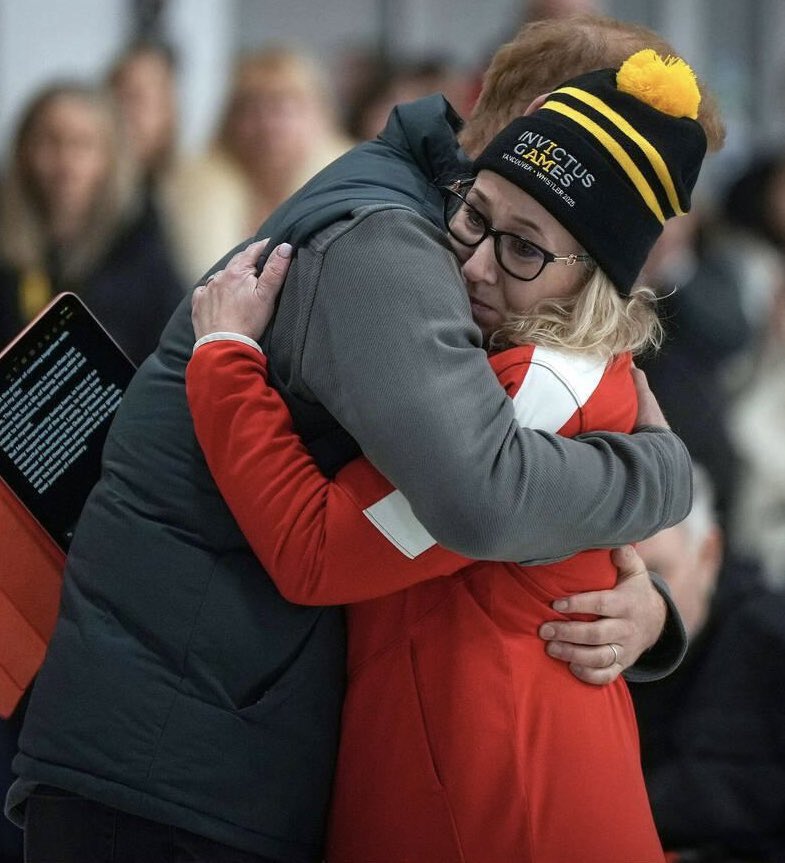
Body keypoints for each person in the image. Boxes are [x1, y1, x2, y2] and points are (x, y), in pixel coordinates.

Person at [7, 14, 723, 863]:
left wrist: (650, 591)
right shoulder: (396, 242)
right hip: (192, 759)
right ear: (545, 118)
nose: (483, 263)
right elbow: (471, 498)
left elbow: (475, 508)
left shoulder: (507, 323)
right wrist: (661, 474)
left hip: (284, 755)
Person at [185, 49, 707, 862]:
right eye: (473, 215)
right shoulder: (544, 365)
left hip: (495, 810)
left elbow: (315, 552)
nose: (472, 264)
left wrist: (222, 358)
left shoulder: (535, 390)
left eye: (524, 249)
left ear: (592, 283)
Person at [631, 466, 785, 861]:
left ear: (709, 554)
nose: (627, 602)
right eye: (606, 579)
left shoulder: (773, 649)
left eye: (654, 577)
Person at [0, 82, 184, 364]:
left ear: (110, 158)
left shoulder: (142, 243)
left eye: (82, 144)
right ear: (23, 151)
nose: (66, 163)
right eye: (49, 142)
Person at [165, 45, 353, 283]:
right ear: (229, 122)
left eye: (282, 108)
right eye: (251, 109)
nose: (267, 125)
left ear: (319, 116)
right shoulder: (191, 194)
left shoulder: (349, 191)